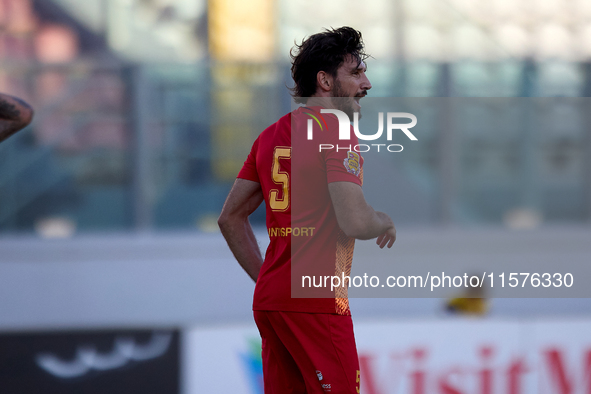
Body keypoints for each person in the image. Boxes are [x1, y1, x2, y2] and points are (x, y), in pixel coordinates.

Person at [218, 26, 396, 393]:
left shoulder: (270, 135)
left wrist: (270, 280)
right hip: (316, 304)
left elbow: (230, 217)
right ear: (325, 81)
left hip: (271, 302)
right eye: (356, 72)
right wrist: (382, 220)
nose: (367, 83)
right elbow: (355, 220)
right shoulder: (336, 130)